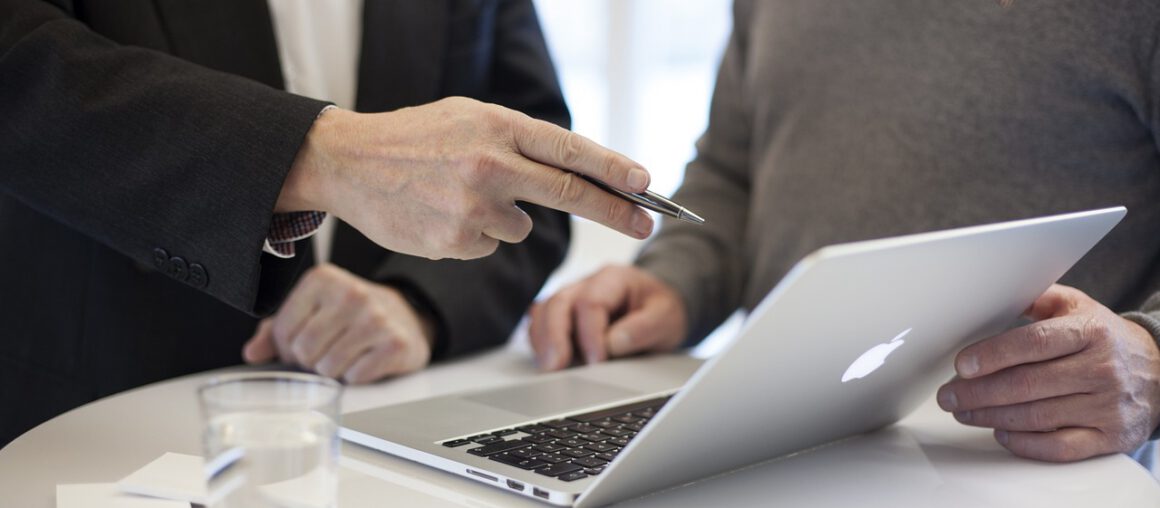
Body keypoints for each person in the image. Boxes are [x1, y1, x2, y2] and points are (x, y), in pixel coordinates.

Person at [530, 0, 1160, 466]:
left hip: (1028, 465)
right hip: (774, 449)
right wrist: (673, 283)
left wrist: (1152, 358)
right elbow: (732, 171)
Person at [0, 0, 654, 446]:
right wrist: (314, 153)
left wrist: (419, 305)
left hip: (386, 438)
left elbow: (524, 168)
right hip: (90, 428)